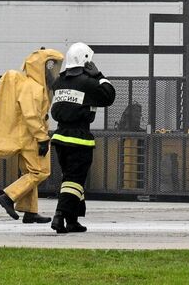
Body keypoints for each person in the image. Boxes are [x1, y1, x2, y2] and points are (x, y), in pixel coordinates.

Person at [48, 41, 116, 234]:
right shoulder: (88, 83)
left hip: (60, 138)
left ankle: (72, 221)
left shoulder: (59, 82)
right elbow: (109, 96)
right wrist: (99, 75)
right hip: (79, 138)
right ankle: (60, 215)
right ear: (86, 60)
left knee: (69, 178)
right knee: (75, 180)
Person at [0, 47, 63, 225]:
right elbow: (31, 115)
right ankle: (9, 196)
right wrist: (42, 138)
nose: (54, 71)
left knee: (29, 172)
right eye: (52, 66)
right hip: (32, 137)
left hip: (27, 136)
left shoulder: (36, 86)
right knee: (40, 172)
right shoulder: (33, 87)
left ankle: (29, 211)